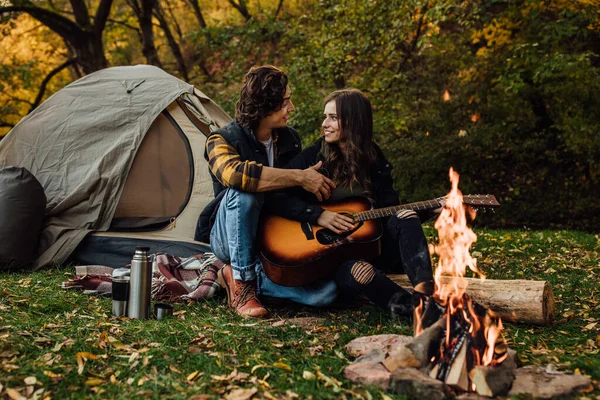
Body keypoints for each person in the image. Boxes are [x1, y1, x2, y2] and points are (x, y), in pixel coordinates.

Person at [255, 88, 436, 316]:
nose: (325, 124)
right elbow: (273, 196)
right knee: (359, 272)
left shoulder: (373, 158)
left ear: (354, 121)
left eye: (333, 118)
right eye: (325, 117)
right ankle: (420, 313)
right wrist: (318, 215)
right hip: (332, 256)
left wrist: (429, 211)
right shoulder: (314, 156)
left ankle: (425, 294)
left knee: (405, 215)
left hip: (373, 246)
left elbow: (390, 213)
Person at [200, 65, 335, 318]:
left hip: (271, 234)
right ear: (264, 104)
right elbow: (234, 175)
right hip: (229, 236)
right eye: (285, 101)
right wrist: (299, 177)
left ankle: (240, 275)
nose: (291, 108)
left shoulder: (289, 138)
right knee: (245, 191)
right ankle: (242, 284)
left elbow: (289, 196)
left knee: (325, 294)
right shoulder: (221, 140)